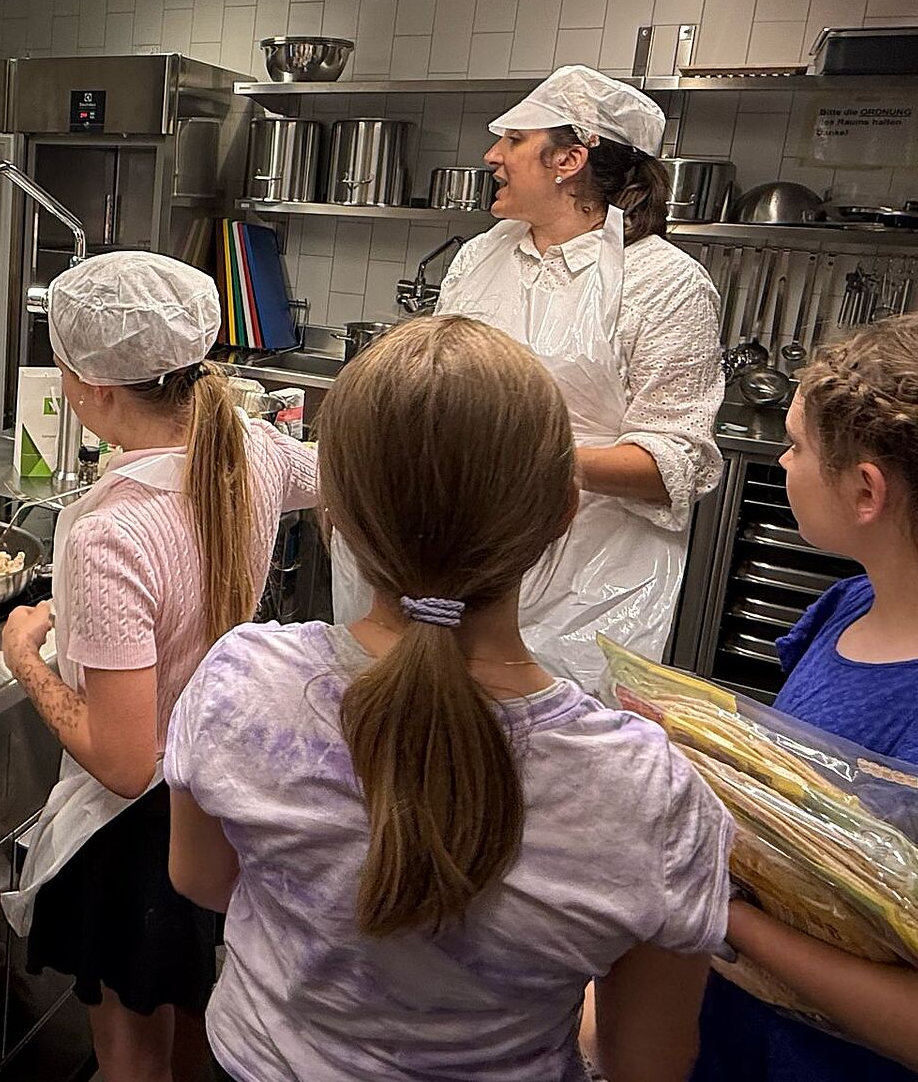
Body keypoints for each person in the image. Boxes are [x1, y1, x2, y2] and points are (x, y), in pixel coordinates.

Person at [166, 315, 733, 1082]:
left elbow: (202, 880)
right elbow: (647, 1064)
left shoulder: (242, 679)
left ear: (333, 510)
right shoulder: (650, 792)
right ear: (565, 511)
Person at [0, 251, 318, 1082]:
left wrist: (25, 659)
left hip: (133, 835)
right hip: (216, 794)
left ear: (94, 389)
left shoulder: (111, 532)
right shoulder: (250, 449)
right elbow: (338, 475)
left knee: (130, 1058)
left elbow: (123, 760)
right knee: (194, 1020)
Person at [336, 65, 725, 691]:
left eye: (514, 139)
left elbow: (676, 466)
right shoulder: (479, 257)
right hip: (452, 550)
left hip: (585, 578)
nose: (492, 155)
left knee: (541, 731)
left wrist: (523, 461)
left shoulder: (665, 283)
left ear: (569, 160)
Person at [692, 310, 918, 1082]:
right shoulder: (849, 608)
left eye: (796, 446)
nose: (783, 460)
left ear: (866, 490)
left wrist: (723, 916)